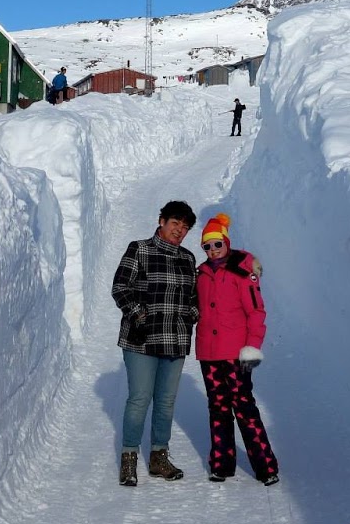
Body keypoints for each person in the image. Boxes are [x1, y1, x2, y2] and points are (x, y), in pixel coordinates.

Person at [111, 200, 200, 486]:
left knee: (166, 402)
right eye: (175, 224)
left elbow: (194, 298)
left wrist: (190, 316)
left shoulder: (188, 259)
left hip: (175, 341)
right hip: (141, 340)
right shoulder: (139, 249)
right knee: (139, 400)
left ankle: (159, 457)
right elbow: (120, 287)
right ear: (162, 221)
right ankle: (129, 459)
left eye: (185, 227)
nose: (180, 231)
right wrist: (139, 314)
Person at [194, 213, 279, 484]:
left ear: (226, 242)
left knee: (244, 407)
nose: (212, 250)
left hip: (234, 354)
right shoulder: (202, 274)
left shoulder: (243, 272)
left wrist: (252, 347)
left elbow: (256, 312)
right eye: (207, 246)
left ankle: (266, 467)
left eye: (217, 244)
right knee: (217, 408)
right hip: (208, 354)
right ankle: (222, 464)